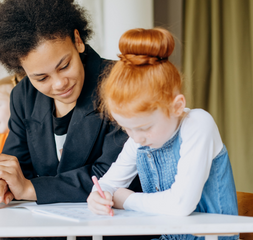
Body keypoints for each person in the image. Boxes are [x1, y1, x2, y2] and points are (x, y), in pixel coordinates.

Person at [0, 0, 144, 217]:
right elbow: (17, 163)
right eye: (41, 77)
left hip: (111, 221)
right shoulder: (23, 96)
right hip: (48, 222)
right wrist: (0, 183)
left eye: (64, 65)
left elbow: (112, 173)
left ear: (78, 40)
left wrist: (29, 188)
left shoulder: (121, 82)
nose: (59, 83)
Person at [87, 28, 238, 240]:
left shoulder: (197, 124)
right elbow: (109, 183)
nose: (136, 137)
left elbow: (181, 204)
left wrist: (126, 199)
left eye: (144, 127)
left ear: (177, 106)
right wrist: (98, 196)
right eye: (126, 128)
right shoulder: (138, 139)